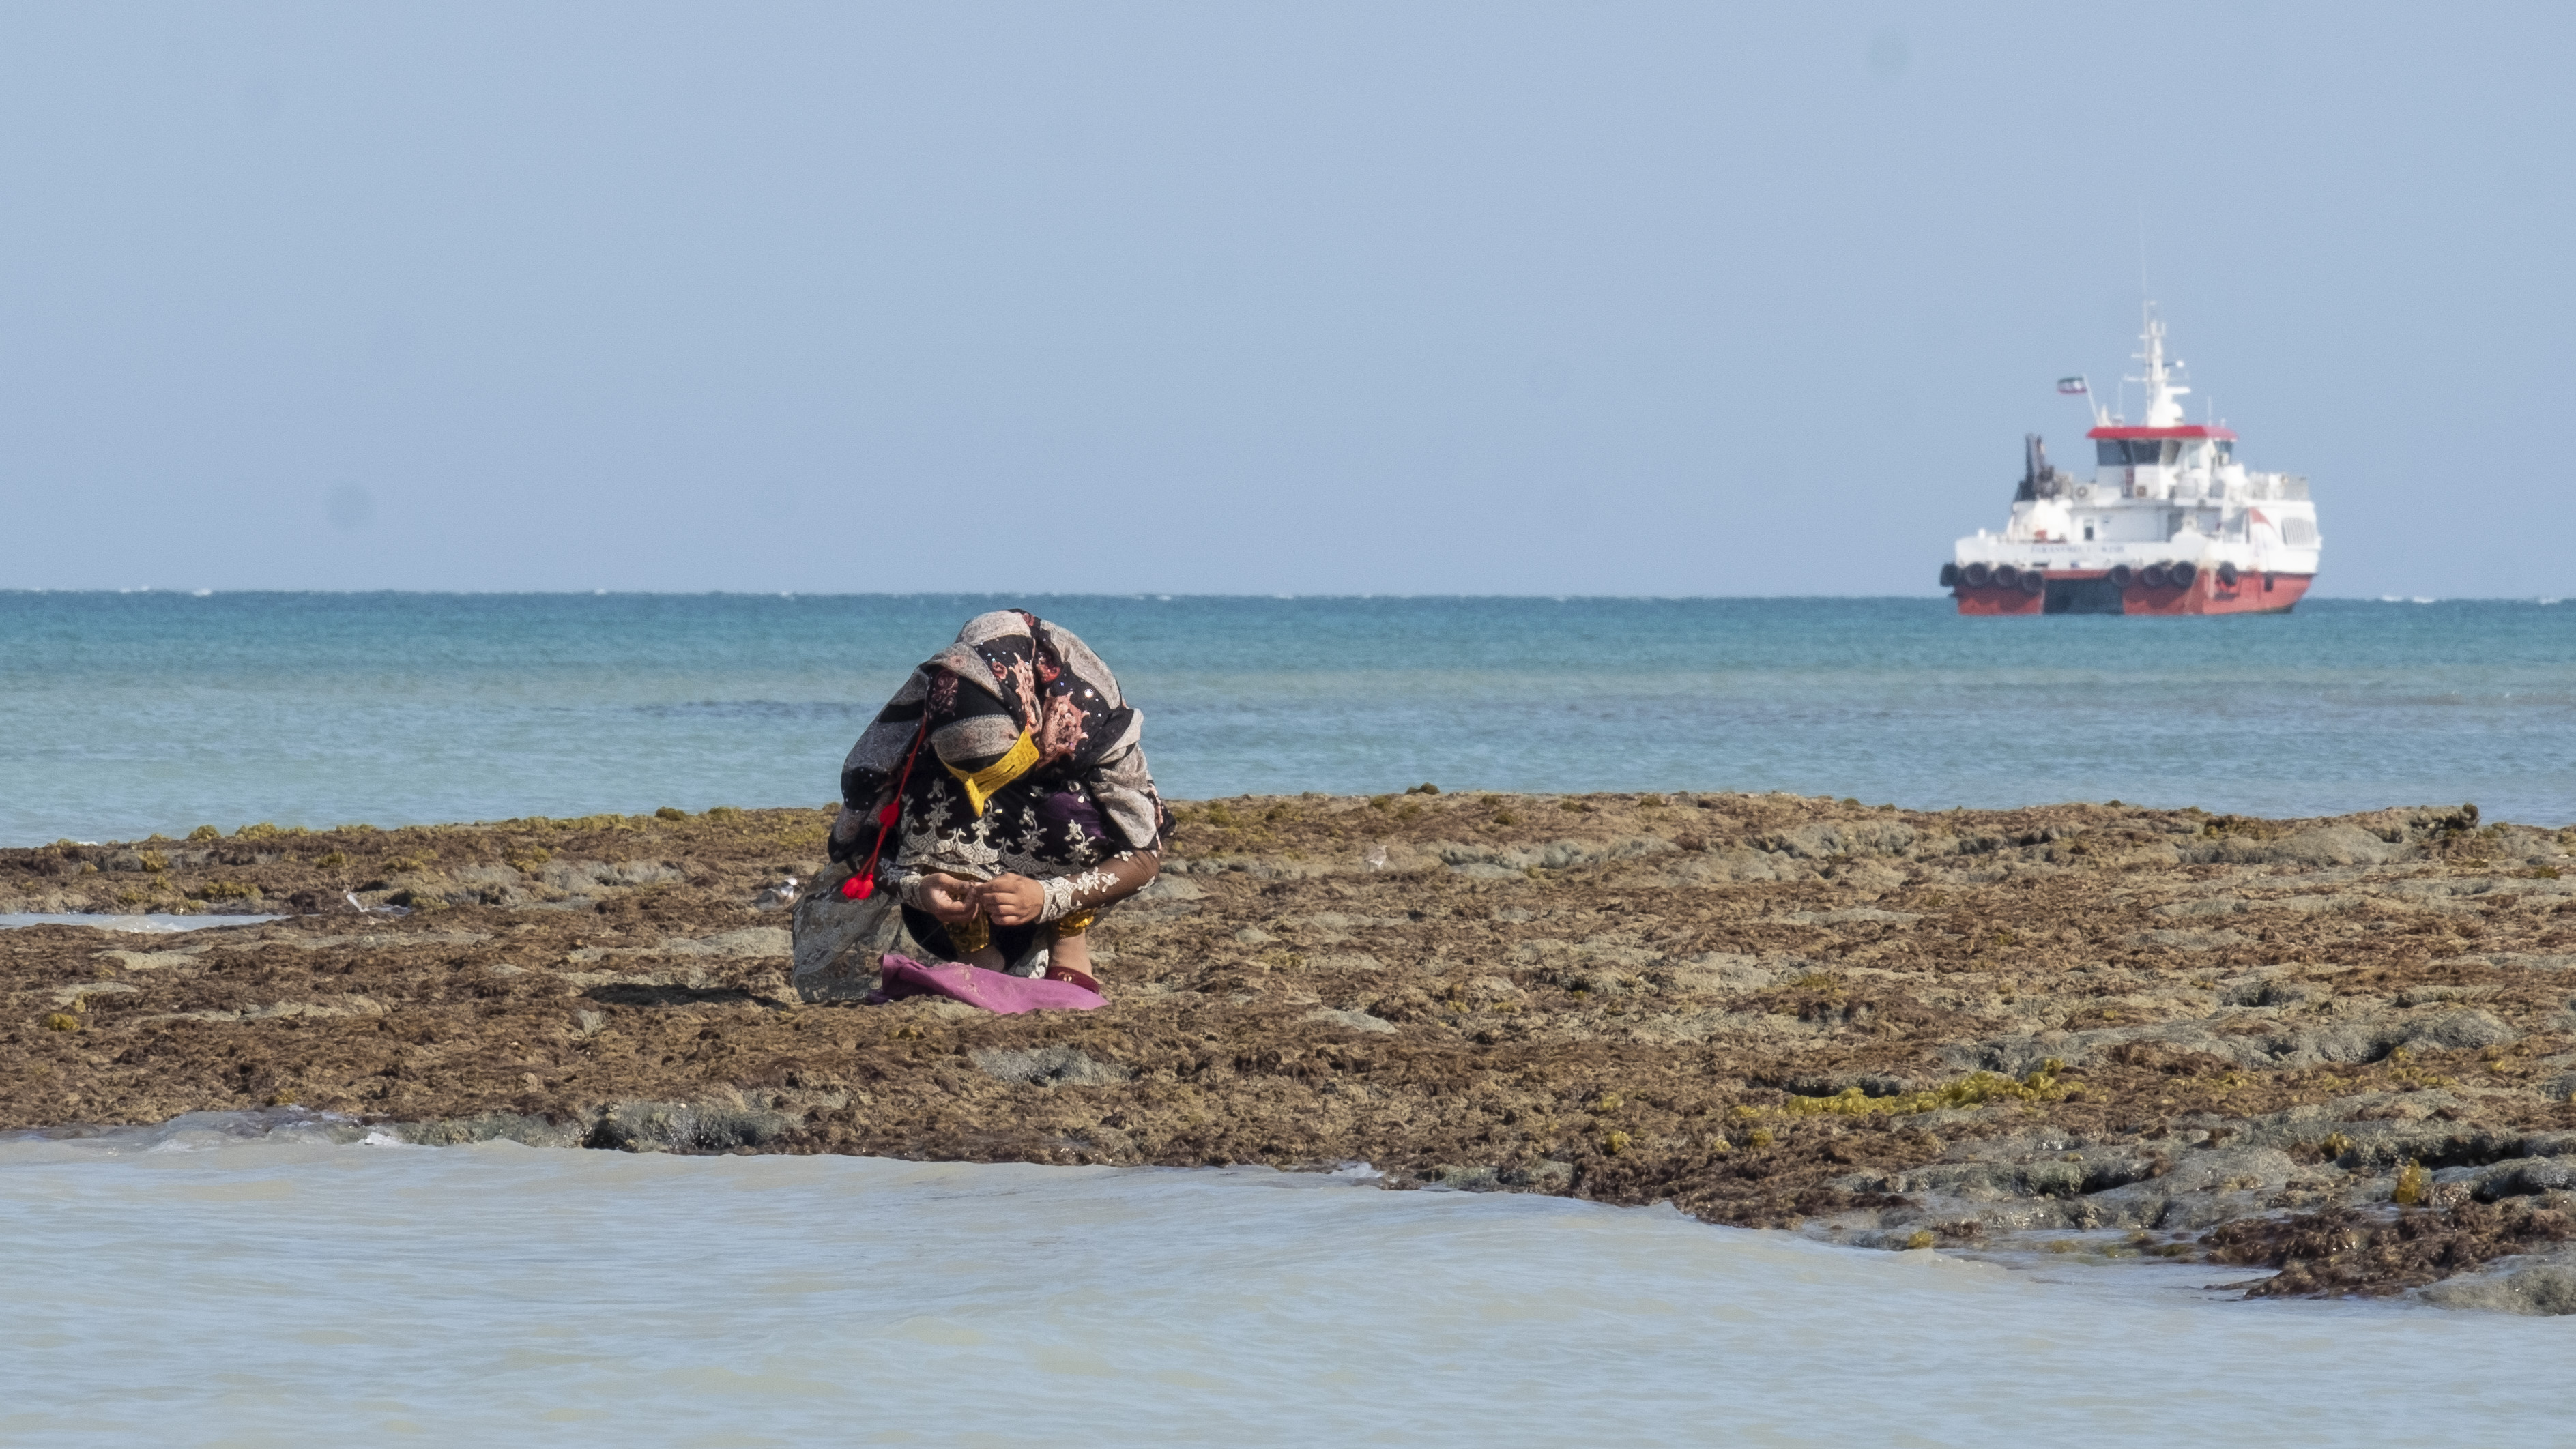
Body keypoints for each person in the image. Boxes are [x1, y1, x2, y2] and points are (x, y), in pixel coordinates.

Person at [828, 609, 1168, 993]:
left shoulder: (1093, 715)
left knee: (1071, 804)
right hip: (944, 921)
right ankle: (978, 950)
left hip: (1063, 897)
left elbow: (1144, 856)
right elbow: (862, 847)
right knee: (928, 786)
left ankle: (1067, 944)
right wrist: (918, 889)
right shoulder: (935, 706)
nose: (979, 795)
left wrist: (1046, 897)